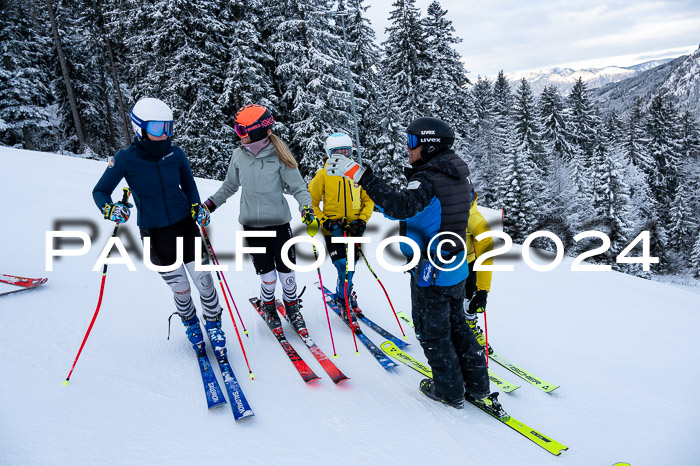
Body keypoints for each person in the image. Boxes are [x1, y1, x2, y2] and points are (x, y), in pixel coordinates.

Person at [325, 117, 505, 417]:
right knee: (459, 328)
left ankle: (448, 391)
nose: (408, 150)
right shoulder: (457, 176)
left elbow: (402, 205)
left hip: (431, 272)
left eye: (411, 142)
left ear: (430, 145)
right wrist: (372, 193)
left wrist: (360, 175)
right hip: (456, 267)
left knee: (433, 333)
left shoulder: (429, 179)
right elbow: (407, 206)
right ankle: (477, 386)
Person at [92, 97, 226, 359]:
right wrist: (110, 209)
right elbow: (100, 191)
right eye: (156, 128)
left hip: (185, 228)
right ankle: (191, 323)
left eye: (168, 127)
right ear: (139, 128)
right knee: (181, 288)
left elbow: (188, 186)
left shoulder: (176, 154)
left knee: (205, 282)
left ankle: (214, 326)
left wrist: (197, 208)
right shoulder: (125, 159)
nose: (164, 134)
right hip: (154, 234)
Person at [204, 104, 315, 333]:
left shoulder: (279, 155)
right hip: (252, 227)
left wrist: (306, 207)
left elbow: (298, 187)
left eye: (241, 131)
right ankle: (268, 306)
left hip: (279, 224)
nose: (238, 135)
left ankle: (292, 307)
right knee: (268, 275)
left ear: (256, 131)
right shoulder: (238, 156)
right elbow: (230, 185)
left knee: (287, 273)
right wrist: (210, 204)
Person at [308, 132, 374, 325]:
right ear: (329, 154)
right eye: (337, 153)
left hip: (354, 228)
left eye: (346, 152)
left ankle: (346, 291)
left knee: (350, 266)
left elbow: (367, 200)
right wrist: (324, 221)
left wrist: (362, 220)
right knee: (343, 265)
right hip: (333, 228)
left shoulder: (356, 173)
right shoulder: (323, 175)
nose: (342, 157)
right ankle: (342, 299)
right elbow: (311, 203)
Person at [463, 191, 494, 350]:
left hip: (467, 263)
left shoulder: (473, 218)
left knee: (469, 298)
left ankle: (470, 327)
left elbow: (486, 253)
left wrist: (483, 291)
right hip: (441, 261)